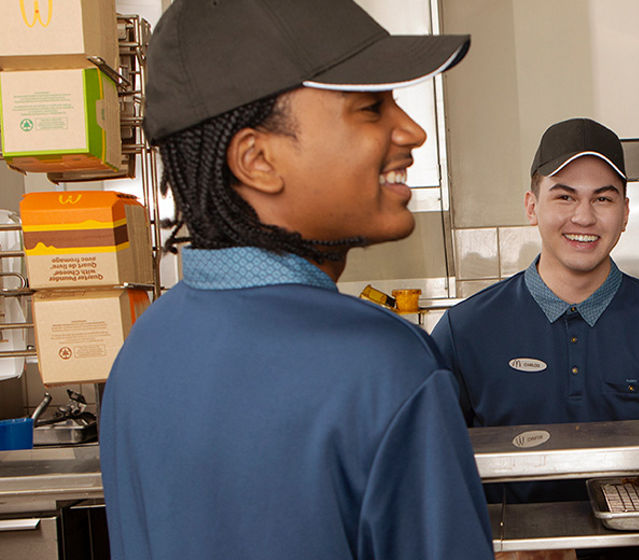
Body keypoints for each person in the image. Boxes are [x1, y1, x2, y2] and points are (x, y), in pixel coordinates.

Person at [99, 1, 492, 559]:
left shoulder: (143, 349)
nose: (413, 131)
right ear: (257, 159)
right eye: (370, 108)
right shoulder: (383, 365)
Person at [431, 118, 639, 559]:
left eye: (603, 198)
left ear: (624, 212)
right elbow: (441, 479)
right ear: (531, 206)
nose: (583, 216)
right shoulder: (464, 330)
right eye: (564, 196)